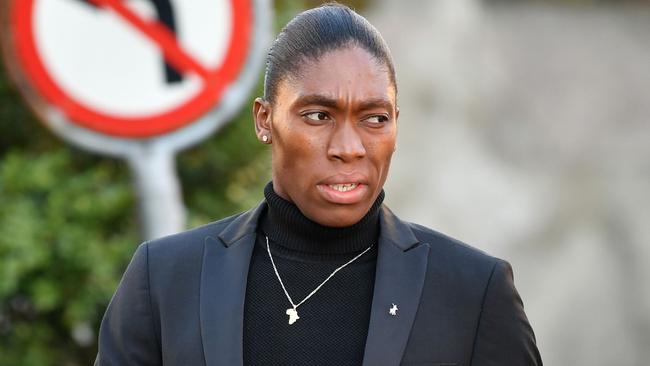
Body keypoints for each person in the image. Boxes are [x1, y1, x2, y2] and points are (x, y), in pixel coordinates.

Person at [95, 3, 542, 366]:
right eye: (317, 116)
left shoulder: (472, 293)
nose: (349, 147)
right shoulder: (165, 279)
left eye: (374, 119)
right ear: (265, 120)